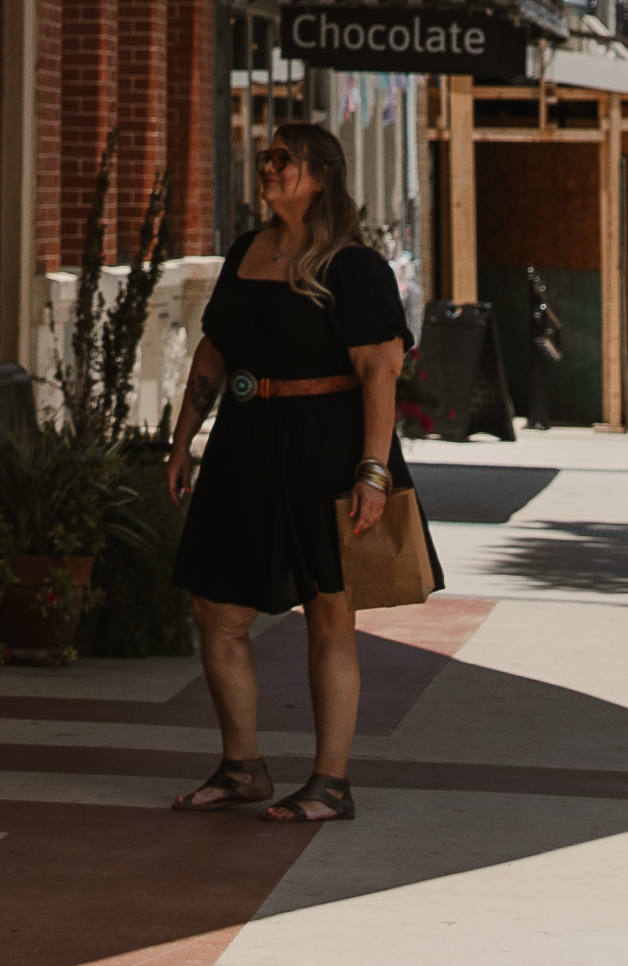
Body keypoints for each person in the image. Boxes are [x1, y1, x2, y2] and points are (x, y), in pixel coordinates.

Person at [163, 115, 430, 826]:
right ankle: (242, 766)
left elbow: (381, 368)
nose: (270, 167)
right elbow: (215, 353)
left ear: (322, 175)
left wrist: (373, 471)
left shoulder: (354, 266)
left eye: (285, 158)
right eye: (266, 156)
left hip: (328, 448)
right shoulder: (246, 250)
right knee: (215, 607)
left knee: (329, 617)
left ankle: (330, 783)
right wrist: (182, 438)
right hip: (246, 442)